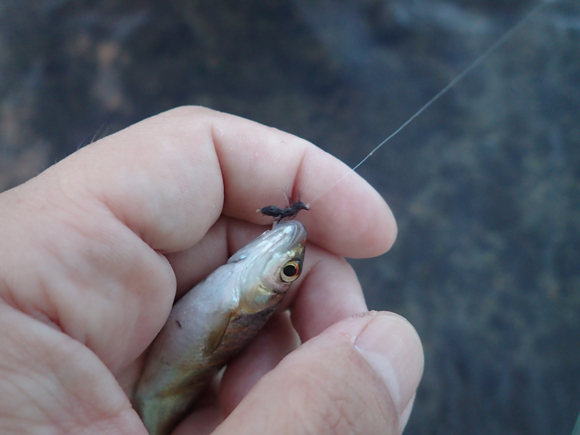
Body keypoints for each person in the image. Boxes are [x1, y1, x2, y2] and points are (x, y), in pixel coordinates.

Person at [0, 107, 423, 435]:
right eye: (290, 269)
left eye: (288, 270)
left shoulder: (239, 297)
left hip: (152, 399)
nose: (288, 249)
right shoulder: (237, 274)